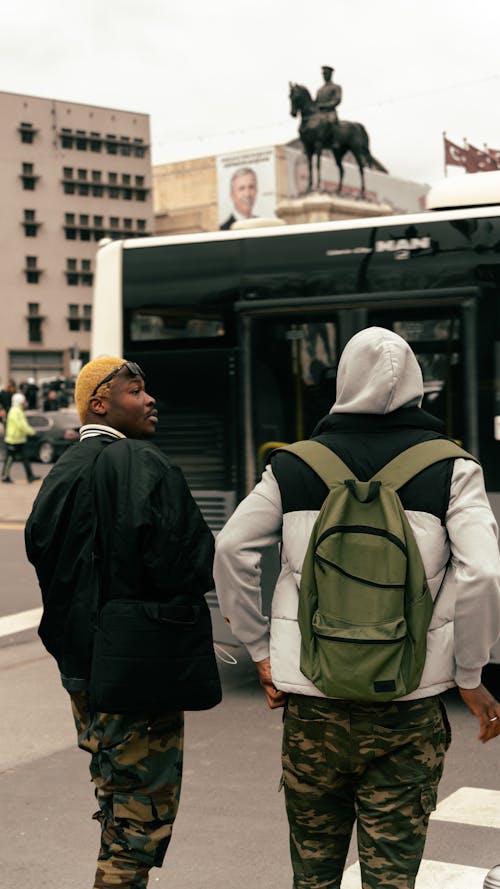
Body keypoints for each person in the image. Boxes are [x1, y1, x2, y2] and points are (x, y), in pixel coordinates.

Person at [214, 327, 500, 889]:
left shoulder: (294, 465)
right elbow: (485, 572)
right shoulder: (452, 468)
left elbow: (230, 549)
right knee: (390, 878)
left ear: (341, 382)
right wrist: (469, 673)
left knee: (313, 874)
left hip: (314, 706)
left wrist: (260, 651)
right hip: (408, 705)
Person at [25, 356, 218, 889]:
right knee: (140, 821)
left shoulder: (61, 472)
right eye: (136, 391)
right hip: (137, 673)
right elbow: (189, 562)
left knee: (114, 794)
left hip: (82, 671)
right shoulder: (142, 463)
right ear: (100, 404)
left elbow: (43, 556)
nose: (150, 399)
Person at [1, 392, 39, 483]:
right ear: (19, 402)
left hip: (19, 439)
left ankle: (30, 476)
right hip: (13, 440)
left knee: (25, 458)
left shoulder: (17, 410)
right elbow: (21, 425)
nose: (24, 403)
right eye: (23, 401)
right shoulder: (16, 411)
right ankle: (4, 476)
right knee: (10, 459)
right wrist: (32, 432)